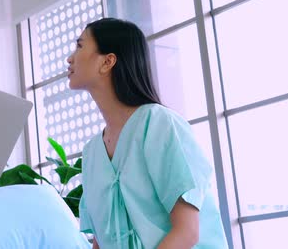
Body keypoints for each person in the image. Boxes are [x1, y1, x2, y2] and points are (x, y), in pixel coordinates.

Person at [69, 18, 227, 248]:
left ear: (107, 61)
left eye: (80, 46)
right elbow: (101, 241)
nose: (70, 57)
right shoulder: (92, 152)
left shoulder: (159, 124)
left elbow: (188, 231)